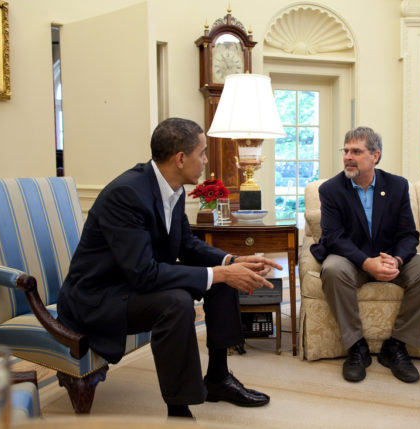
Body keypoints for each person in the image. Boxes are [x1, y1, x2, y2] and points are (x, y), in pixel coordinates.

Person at [57, 118, 282, 418]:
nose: (204, 161)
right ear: (180, 159)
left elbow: (186, 244)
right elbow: (144, 273)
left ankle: (218, 377)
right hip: (99, 298)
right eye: (201, 153)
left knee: (220, 277)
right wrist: (222, 272)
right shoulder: (126, 194)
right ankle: (179, 407)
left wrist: (230, 261)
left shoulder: (171, 189)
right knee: (176, 302)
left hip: (133, 282)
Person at [310, 126, 420, 384]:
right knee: (332, 269)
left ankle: (396, 347)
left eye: (357, 151)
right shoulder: (331, 189)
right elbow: (333, 237)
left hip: (388, 257)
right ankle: (357, 347)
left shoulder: (396, 185)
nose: (348, 156)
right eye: (346, 151)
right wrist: (367, 262)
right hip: (350, 259)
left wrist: (396, 260)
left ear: (375, 156)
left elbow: (408, 234)